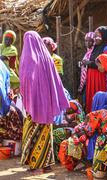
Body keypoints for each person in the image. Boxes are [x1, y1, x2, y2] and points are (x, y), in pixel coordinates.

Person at [19, 31, 69, 171]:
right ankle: (46, 165)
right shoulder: (48, 58)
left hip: (32, 104)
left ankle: (33, 164)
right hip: (46, 104)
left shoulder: (28, 58)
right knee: (46, 134)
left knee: (31, 133)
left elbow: (25, 81)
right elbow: (56, 81)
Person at [84, 26, 107, 113]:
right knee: (92, 97)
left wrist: (90, 63)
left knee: (100, 98)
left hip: (100, 78)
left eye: (98, 36)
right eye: (95, 35)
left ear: (104, 36)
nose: (95, 38)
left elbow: (105, 65)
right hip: (92, 78)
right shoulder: (95, 48)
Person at [78, 32, 95, 108]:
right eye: (86, 41)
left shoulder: (93, 52)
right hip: (85, 81)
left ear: (94, 41)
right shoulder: (87, 53)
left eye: (90, 41)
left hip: (90, 80)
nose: (87, 43)